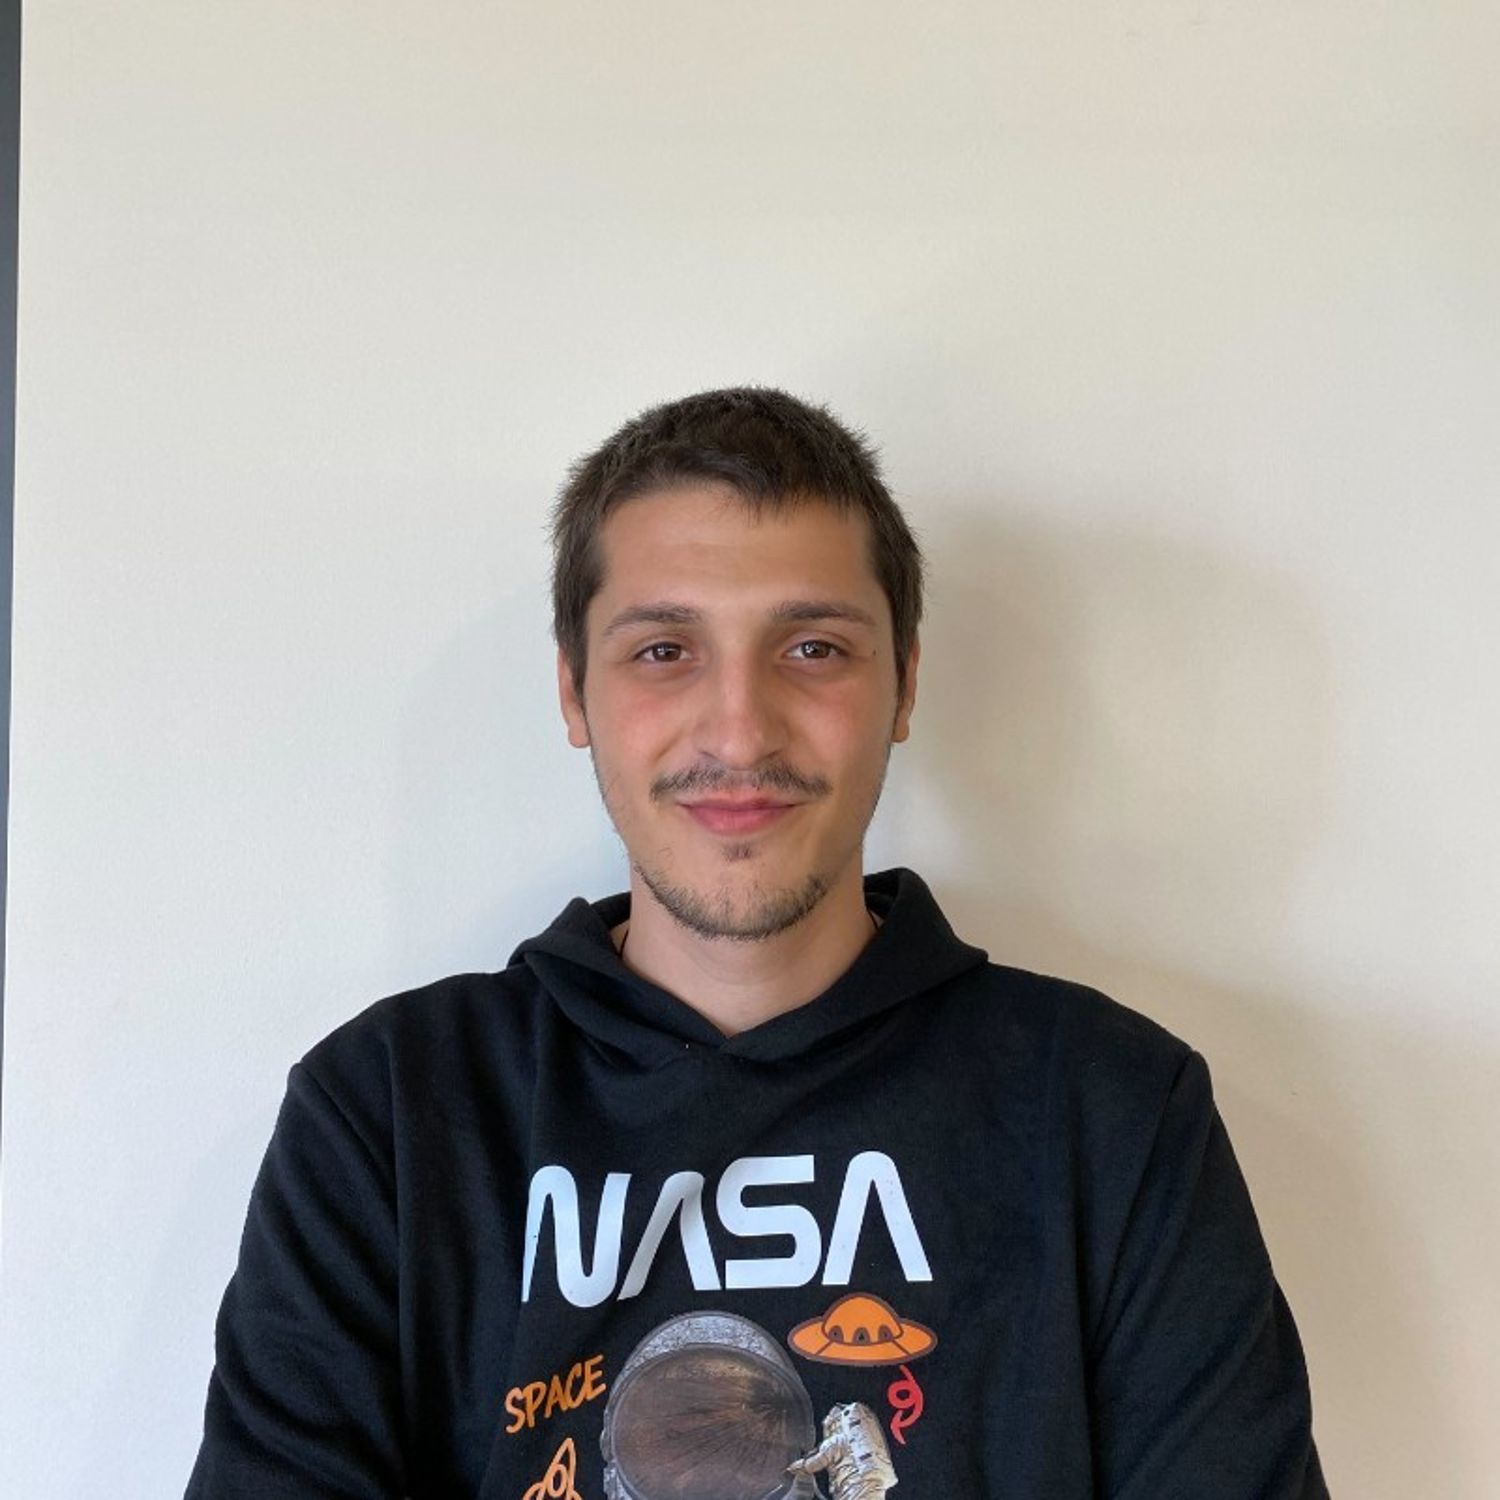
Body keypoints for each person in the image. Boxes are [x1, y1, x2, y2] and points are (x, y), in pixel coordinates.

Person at [186, 387, 1328, 1499]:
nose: (739, 732)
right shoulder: (390, 1111)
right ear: (575, 693)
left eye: (814, 647)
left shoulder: (1109, 1109)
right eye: (663, 650)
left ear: (903, 685)